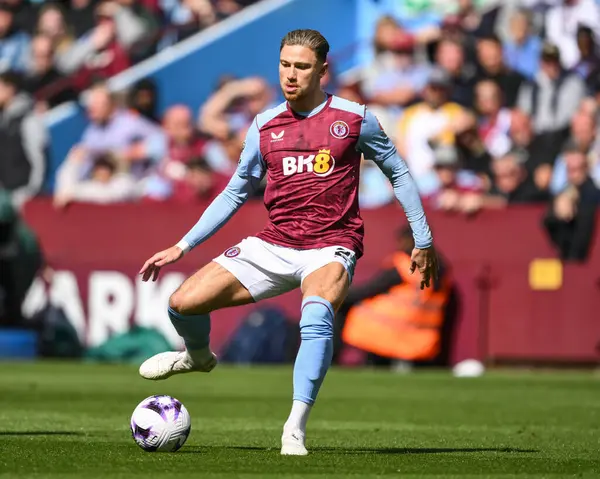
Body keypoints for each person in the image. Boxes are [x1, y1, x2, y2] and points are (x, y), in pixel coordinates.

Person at [137, 29, 438, 456]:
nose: (290, 75)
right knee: (181, 303)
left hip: (332, 244)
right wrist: (182, 246)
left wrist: (422, 239)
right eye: (285, 65)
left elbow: (400, 173)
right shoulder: (264, 125)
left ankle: (293, 428)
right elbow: (235, 192)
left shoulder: (354, 118)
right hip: (275, 242)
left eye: (301, 67)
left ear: (322, 70)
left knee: (315, 318)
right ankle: (198, 358)